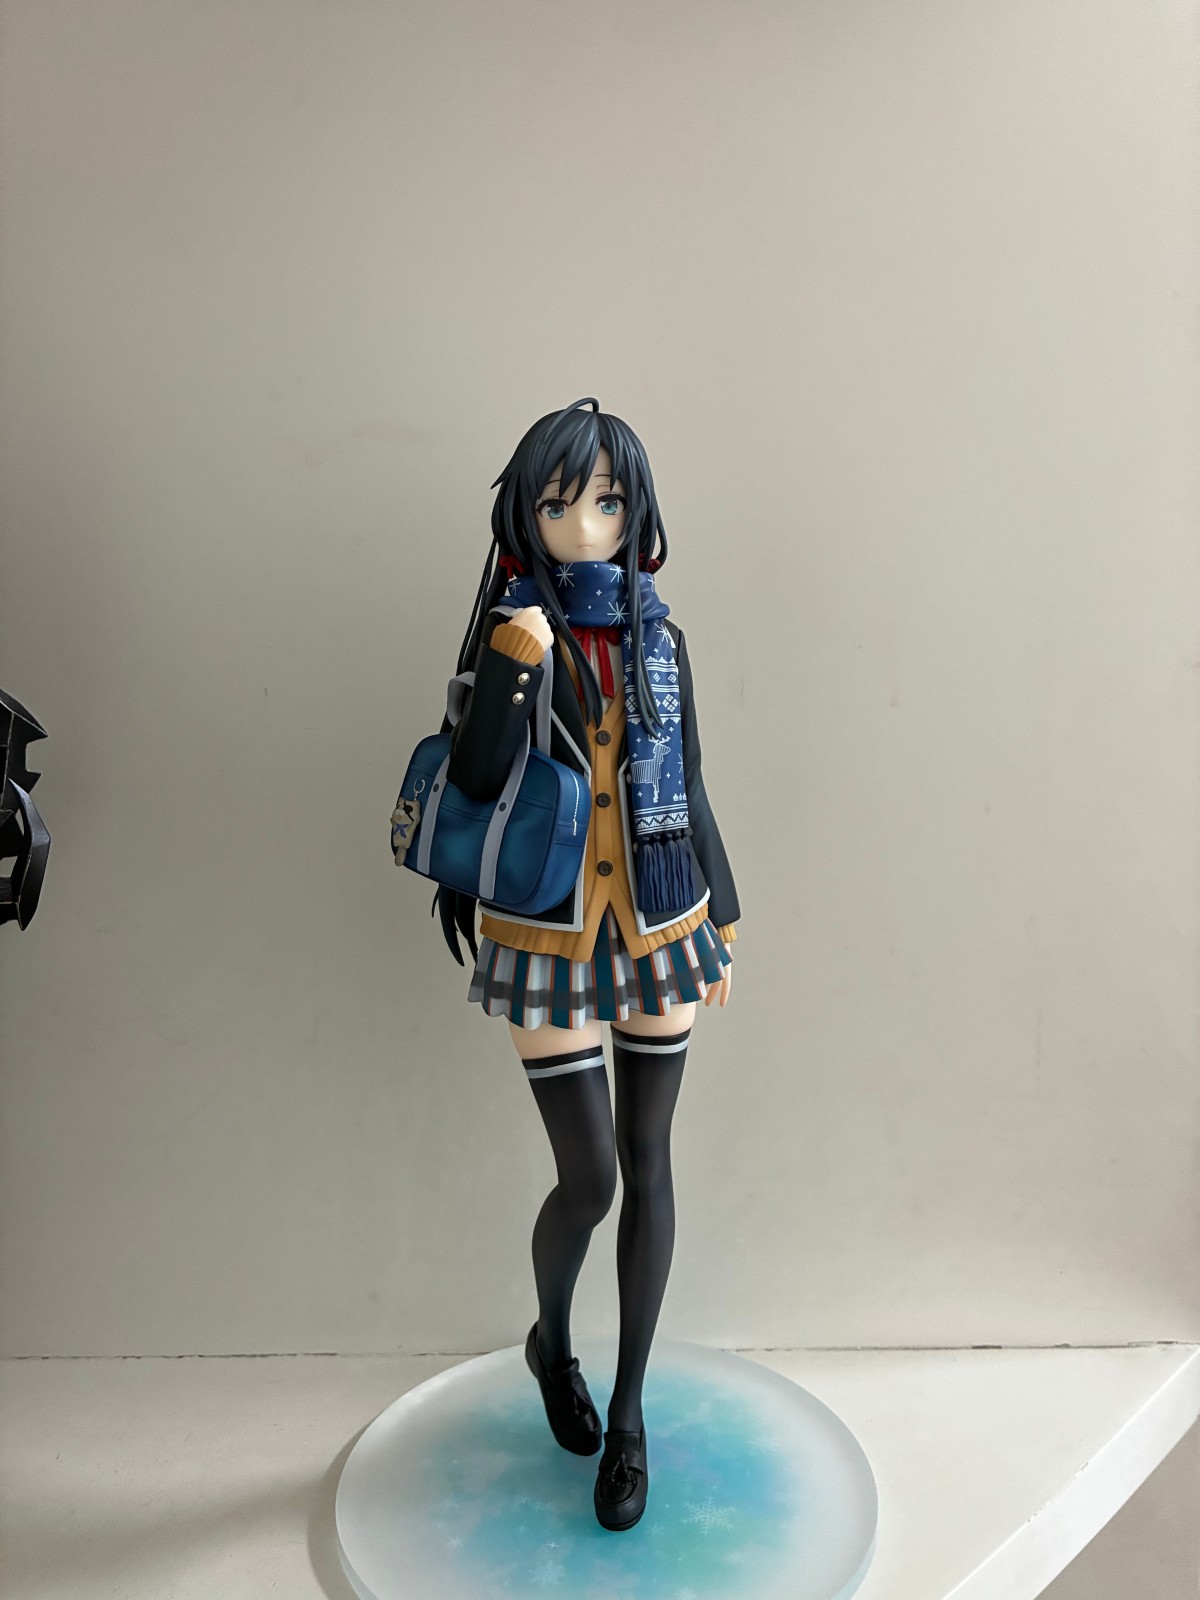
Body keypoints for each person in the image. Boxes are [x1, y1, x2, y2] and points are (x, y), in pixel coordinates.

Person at [432, 397, 740, 1532]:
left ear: (633, 512)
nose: (583, 523)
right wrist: (514, 667)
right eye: (560, 502)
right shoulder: (513, 631)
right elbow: (474, 779)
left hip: (661, 916)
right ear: (528, 510)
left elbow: (689, 780)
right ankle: (551, 1342)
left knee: (651, 1161)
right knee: (592, 1179)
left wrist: (724, 911)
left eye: (605, 501)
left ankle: (630, 1415)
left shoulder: (662, 640)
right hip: (548, 928)